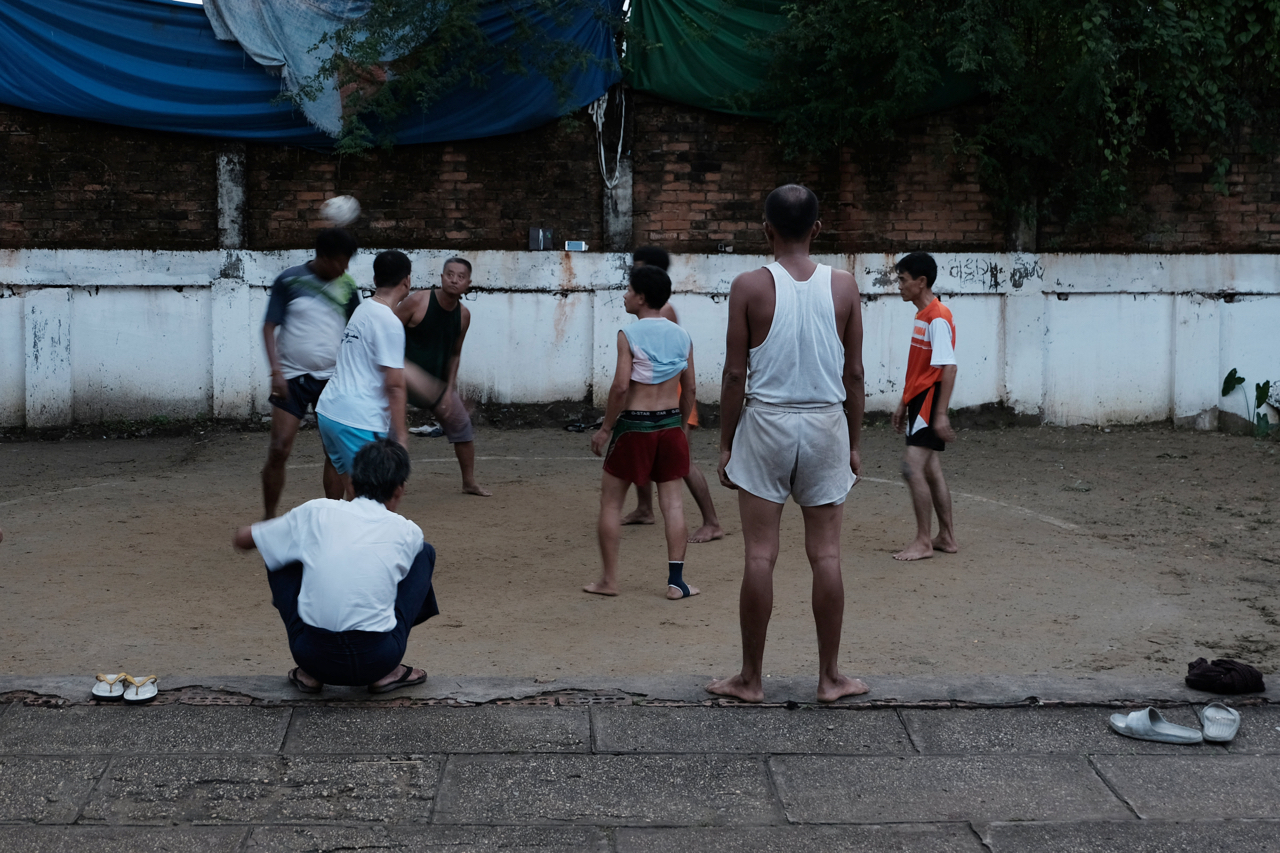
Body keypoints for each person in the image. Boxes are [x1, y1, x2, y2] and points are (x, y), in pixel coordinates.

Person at [707, 184, 868, 704]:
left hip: (767, 425)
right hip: (825, 424)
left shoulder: (749, 286)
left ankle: (751, 679)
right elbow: (856, 374)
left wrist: (727, 443)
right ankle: (830, 677)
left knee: (760, 556)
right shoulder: (844, 286)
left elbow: (735, 374)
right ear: (817, 229)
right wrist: (855, 443)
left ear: (766, 230)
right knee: (826, 555)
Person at [233, 439, 437, 693]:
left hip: (311, 658)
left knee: (276, 545)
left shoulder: (316, 512)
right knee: (423, 552)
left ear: (350, 484)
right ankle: (389, 673)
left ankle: (309, 675)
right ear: (399, 491)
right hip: (380, 659)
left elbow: (244, 539)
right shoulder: (408, 531)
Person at [585, 264, 700, 600]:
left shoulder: (628, 334)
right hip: (668, 424)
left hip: (634, 426)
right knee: (674, 505)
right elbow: (690, 388)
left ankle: (609, 581)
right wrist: (679, 425)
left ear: (641, 297)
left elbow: (621, 387)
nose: (624, 294)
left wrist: (606, 428)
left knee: (610, 504)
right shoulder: (683, 335)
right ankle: (676, 582)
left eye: (629, 289)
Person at [619, 245, 724, 544]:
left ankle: (712, 522)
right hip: (656, 398)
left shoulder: (661, 311)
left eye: (638, 266)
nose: (633, 272)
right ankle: (643, 508)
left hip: (672, 399)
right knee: (642, 449)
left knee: (682, 461)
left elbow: (666, 363)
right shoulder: (649, 311)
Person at [260, 228, 360, 518]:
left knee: (335, 453)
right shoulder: (289, 280)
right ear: (323, 257)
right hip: (291, 378)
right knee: (279, 449)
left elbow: (357, 331)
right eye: (341, 261)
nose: (345, 268)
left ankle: (335, 517)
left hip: (334, 379)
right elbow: (269, 326)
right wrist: (275, 371)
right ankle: (269, 519)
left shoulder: (348, 286)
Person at [315, 250, 411, 498]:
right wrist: (401, 437)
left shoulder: (364, 309)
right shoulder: (389, 322)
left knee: (353, 492)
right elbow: (395, 386)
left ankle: (335, 531)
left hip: (329, 412)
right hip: (357, 419)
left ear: (376, 279)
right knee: (374, 500)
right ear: (407, 281)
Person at [395, 257, 491, 496]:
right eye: (450, 274)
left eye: (460, 277)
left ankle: (468, 482)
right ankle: (389, 486)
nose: (454, 280)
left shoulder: (464, 315)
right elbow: (386, 331)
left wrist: (450, 388)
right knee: (390, 434)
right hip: (399, 379)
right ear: (441, 277)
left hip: (436, 384)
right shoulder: (418, 300)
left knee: (462, 426)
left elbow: (455, 354)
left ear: (468, 283)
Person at [891, 251, 958, 561]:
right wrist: (904, 402)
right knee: (930, 469)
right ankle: (945, 536)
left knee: (911, 467)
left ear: (921, 282)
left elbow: (948, 367)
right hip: (921, 401)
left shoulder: (937, 317)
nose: (899, 285)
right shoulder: (924, 315)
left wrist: (940, 413)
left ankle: (923, 541)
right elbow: (921, 368)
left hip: (929, 402)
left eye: (903, 280)